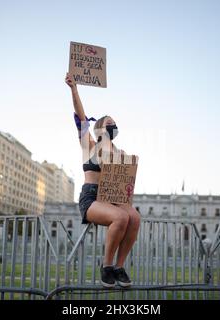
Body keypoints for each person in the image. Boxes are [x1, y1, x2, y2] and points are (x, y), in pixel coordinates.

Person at [65, 73, 141, 288]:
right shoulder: (89, 145)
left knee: (134, 217)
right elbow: (81, 117)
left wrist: (129, 204)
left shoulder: (121, 152)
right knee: (119, 217)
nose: (113, 125)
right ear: (99, 127)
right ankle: (106, 266)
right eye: (109, 122)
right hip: (92, 198)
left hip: (113, 198)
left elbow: (123, 185)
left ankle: (119, 266)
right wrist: (74, 89)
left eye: (115, 123)